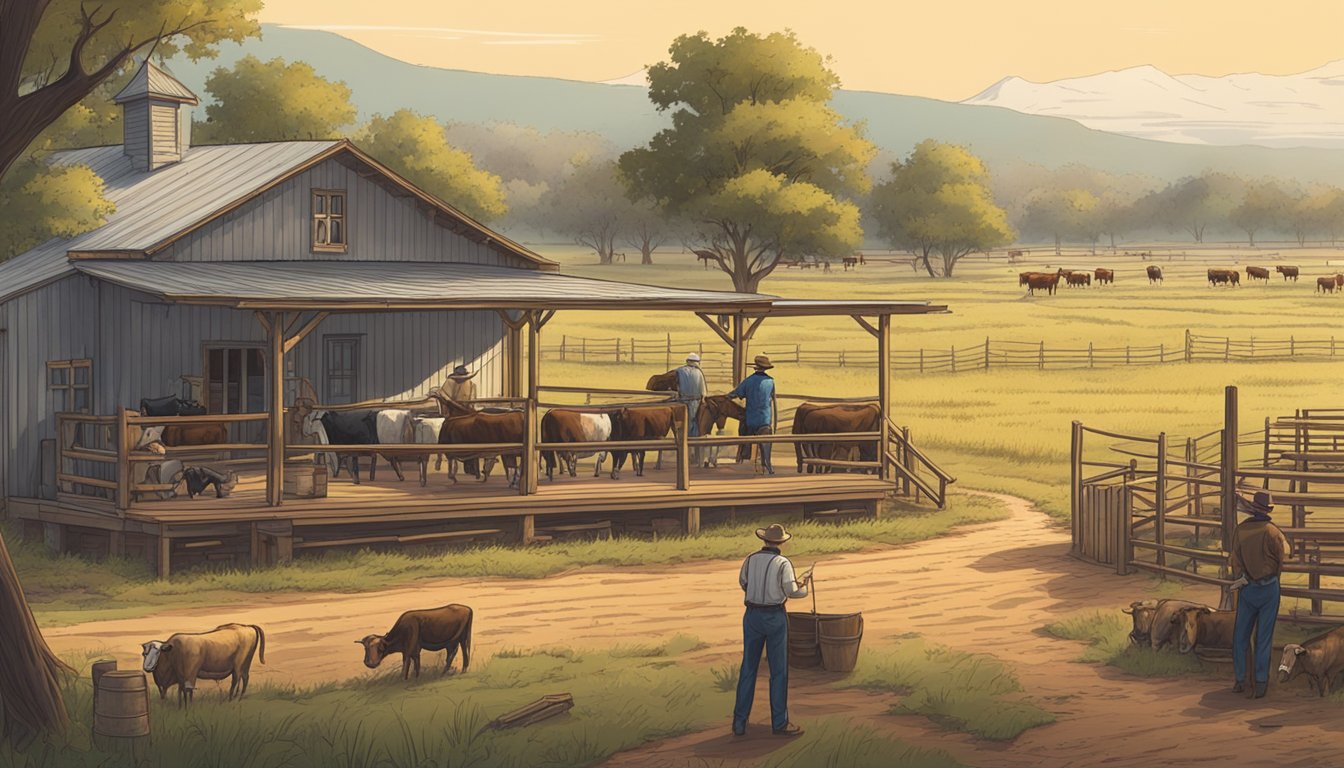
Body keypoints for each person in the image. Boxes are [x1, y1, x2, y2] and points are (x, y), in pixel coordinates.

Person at [732, 523, 809, 737]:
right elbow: (792, 592)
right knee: (778, 671)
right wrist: (804, 587)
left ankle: (739, 722)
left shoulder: (750, 559)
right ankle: (779, 723)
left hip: (752, 615)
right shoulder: (783, 563)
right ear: (782, 542)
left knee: (748, 668)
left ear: (764, 540)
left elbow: (743, 583)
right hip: (774, 616)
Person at [1228, 488, 1291, 698]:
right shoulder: (1273, 532)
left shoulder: (1240, 530)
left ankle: (1240, 679)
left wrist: (1242, 577)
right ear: (1269, 509)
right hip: (1269, 587)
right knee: (1263, 638)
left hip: (1247, 586)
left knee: (1241, 636)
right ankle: (1261, 682)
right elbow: (1282, 558)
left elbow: (1235, 561)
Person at [729, 355, 776, 474]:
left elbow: (737, 393)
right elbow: (773, 399)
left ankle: (743, 454)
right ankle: (768, 464)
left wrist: (728, 395)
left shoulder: (749, 381)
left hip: (751, 419)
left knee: (743, 429)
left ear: (756, 367)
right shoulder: (770, 381)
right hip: (765, 419)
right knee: (766, 441)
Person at [433, 365, 477, 472]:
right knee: (447, 431)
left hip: (465, 413)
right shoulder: (450, 383)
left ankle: (470, 464)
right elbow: (445, 398)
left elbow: (472, 402)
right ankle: (445, 456)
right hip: (455, 413)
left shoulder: (471, 385)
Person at [675, 353, 708, 467]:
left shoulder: (679, 371)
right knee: (694, 426)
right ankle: (693, 454)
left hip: (682, 402)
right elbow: (703, 391)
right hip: (695, 402)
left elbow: (677, 387)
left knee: (683, 426)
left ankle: (685, 455)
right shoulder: (698, 373)